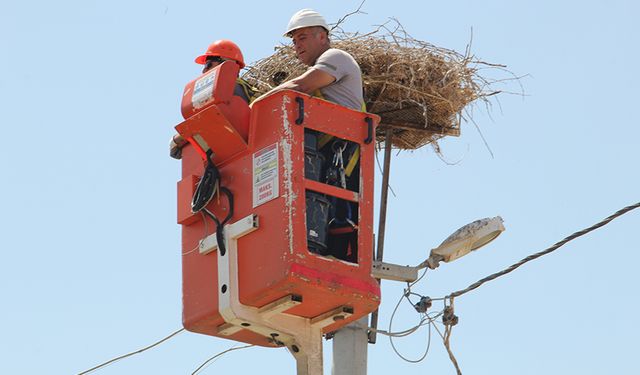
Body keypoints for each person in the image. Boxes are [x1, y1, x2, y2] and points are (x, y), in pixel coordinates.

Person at [170, 40, 256, 159]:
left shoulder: (228, 89)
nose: (204, 71)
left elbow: (211, 122)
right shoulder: (246, 90)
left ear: (226, 62)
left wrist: (177, 140)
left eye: (208, 64)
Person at [265, 9, 364, 111]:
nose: (297, 46)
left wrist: (256, 105)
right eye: (294, 42)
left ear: (322, 37)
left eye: (302, 38)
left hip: (342, 125)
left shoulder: (335, 56)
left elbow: (299, 86)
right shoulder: (317, 72)